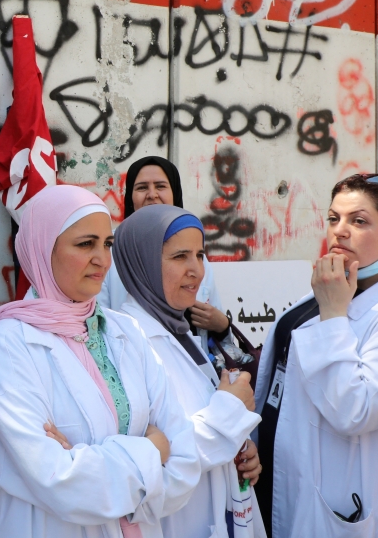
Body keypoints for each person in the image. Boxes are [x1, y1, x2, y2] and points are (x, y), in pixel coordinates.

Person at [0, 185, 201, 538]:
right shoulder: (10, 342)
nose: (102, 259)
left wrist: (89, 461)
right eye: (84, 244)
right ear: (43, 249)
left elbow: (184, 459)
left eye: (107, 244)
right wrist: (153, 449)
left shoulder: (125, 330)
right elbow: (55, 478)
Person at [254, 174, 378, 537]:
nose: (340, 231)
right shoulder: (329, 293)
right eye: (334, 218)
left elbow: (356, 408)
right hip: (284, 495)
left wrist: (335, 316)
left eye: (359, 220)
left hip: (359, 515)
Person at [111, 205, 263, 538]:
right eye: (180, 256)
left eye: (200, 255)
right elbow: (154, 458)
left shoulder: (181, 332)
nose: (197, 270)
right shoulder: (125, 344)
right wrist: (229, 413)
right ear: (143, 264)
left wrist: (239, 448)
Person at [99, 157, 230, 358]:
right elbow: (99, 325)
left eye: (160, 186)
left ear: (174, 193)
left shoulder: (195, 250)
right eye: (142, 188)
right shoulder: (110, 249)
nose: (152, 195)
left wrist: (222, 326)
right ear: (130, 197)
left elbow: (215, 326)